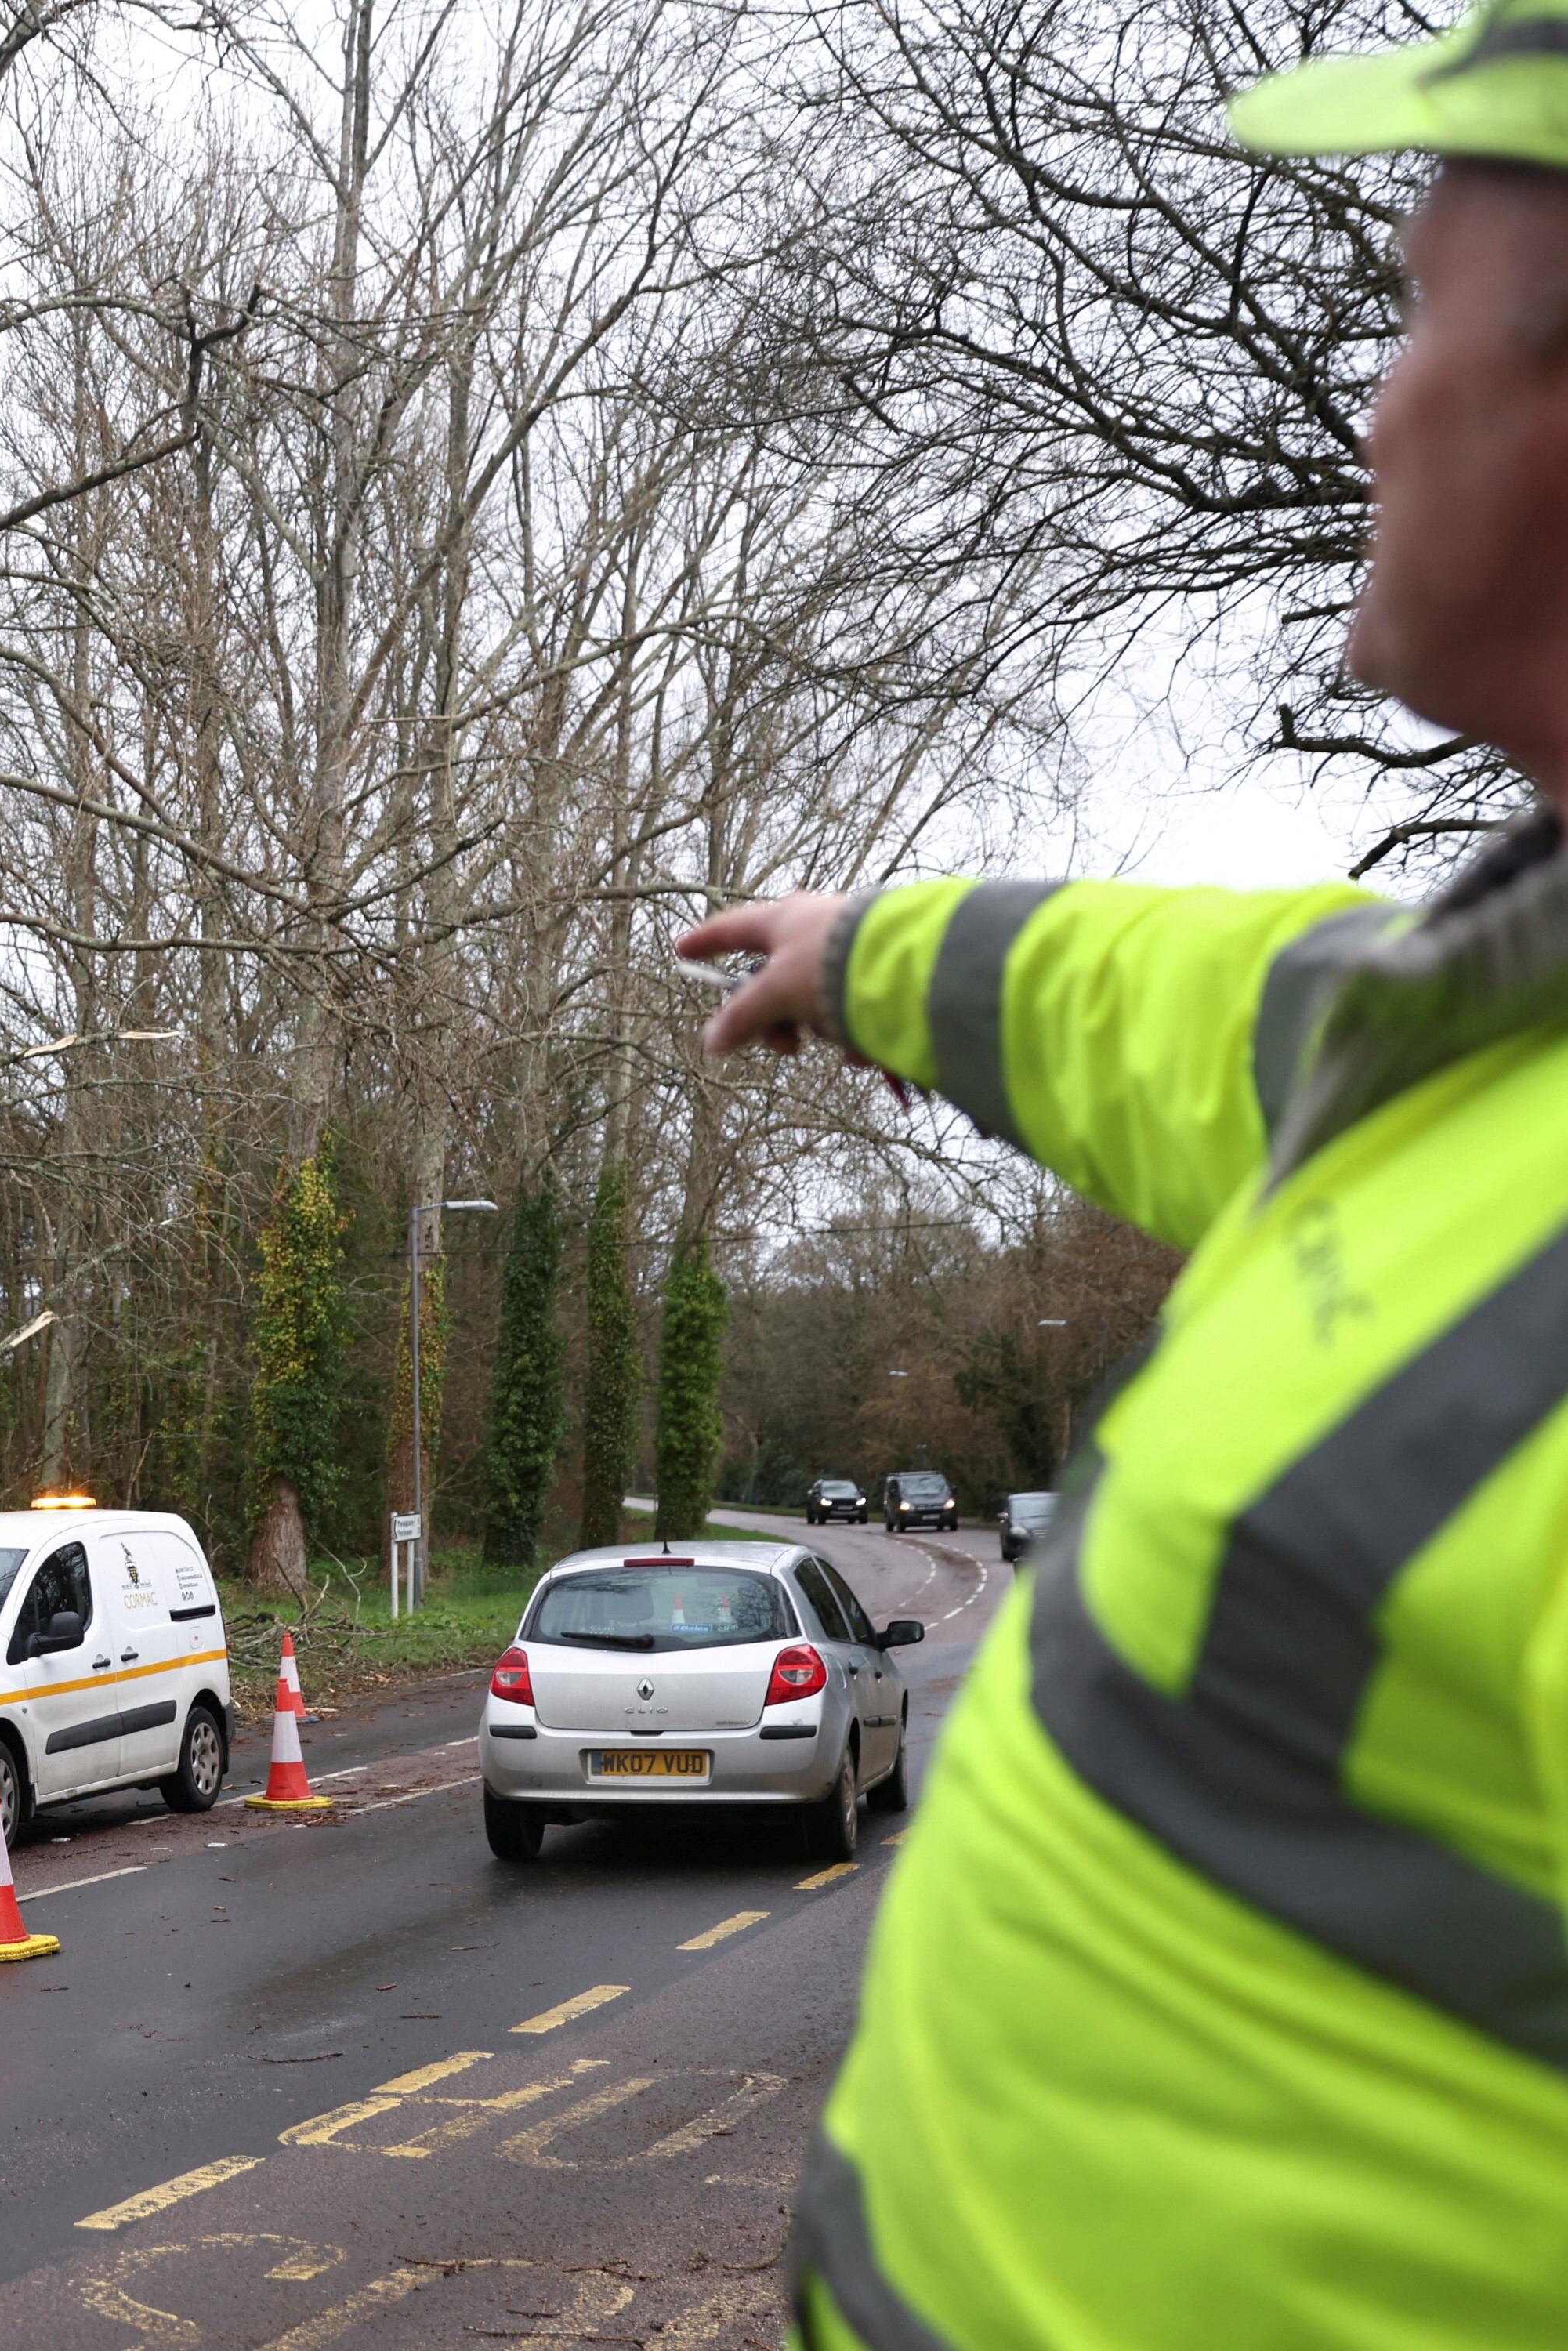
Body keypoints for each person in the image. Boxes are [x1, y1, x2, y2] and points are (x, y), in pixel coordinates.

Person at [681, 9, 1568, 2341]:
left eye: (1415, 318)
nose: (1371, 402)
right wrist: (872, 953)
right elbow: (1201, 1001)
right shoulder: (1468, 1030)